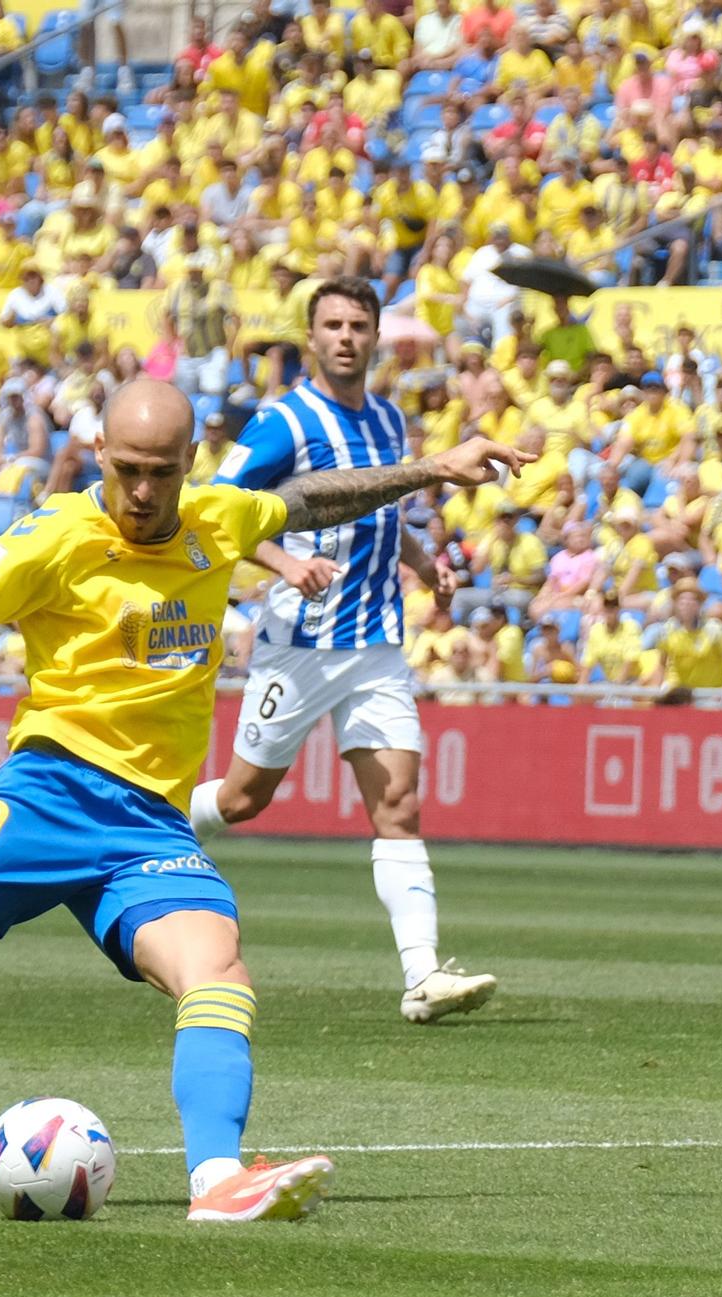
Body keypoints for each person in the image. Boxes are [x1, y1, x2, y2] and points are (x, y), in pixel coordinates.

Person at [0, 379, 526, 1223]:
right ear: (100, 454)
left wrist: (434, 467)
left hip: (149, 827)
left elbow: (309, 499)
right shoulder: (54, 540)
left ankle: (217, 1180)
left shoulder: (219, 516)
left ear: (192, 466)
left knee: (216, 968)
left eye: (164, 474)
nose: (144, 493)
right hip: (46, 797)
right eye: (129, 470)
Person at [190, 277, 500, 1024]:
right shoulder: (283, 422)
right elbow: (215, 511)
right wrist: (285, 563)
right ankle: (138, 819)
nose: (346, 337)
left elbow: (381, 507)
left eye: (358, 324)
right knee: (242, 799)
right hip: (299, 645)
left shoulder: (390, 420)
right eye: (332, 325)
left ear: (373, 335)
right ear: (311, 335)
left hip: (376, 647)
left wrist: (422, 561)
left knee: (398, 805)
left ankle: (423, 977)